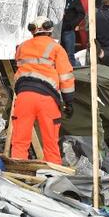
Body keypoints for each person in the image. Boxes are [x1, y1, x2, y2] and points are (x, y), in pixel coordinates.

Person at [11, 16, 75, 164]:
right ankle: (53, 176)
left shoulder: (22, 47)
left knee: (20, 141)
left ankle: (16, 173)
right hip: (47, 99)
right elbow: (65, 76)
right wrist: (69, 101)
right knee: (50, 143)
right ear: (50, 30)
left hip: (24, 97)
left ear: (32, 30)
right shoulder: (56, 48)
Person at [61, 0, 85, 67]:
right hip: (55, 30)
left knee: (69, 55)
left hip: (68, 30)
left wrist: (72, 24)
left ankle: (72, 74)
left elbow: (81, 13)